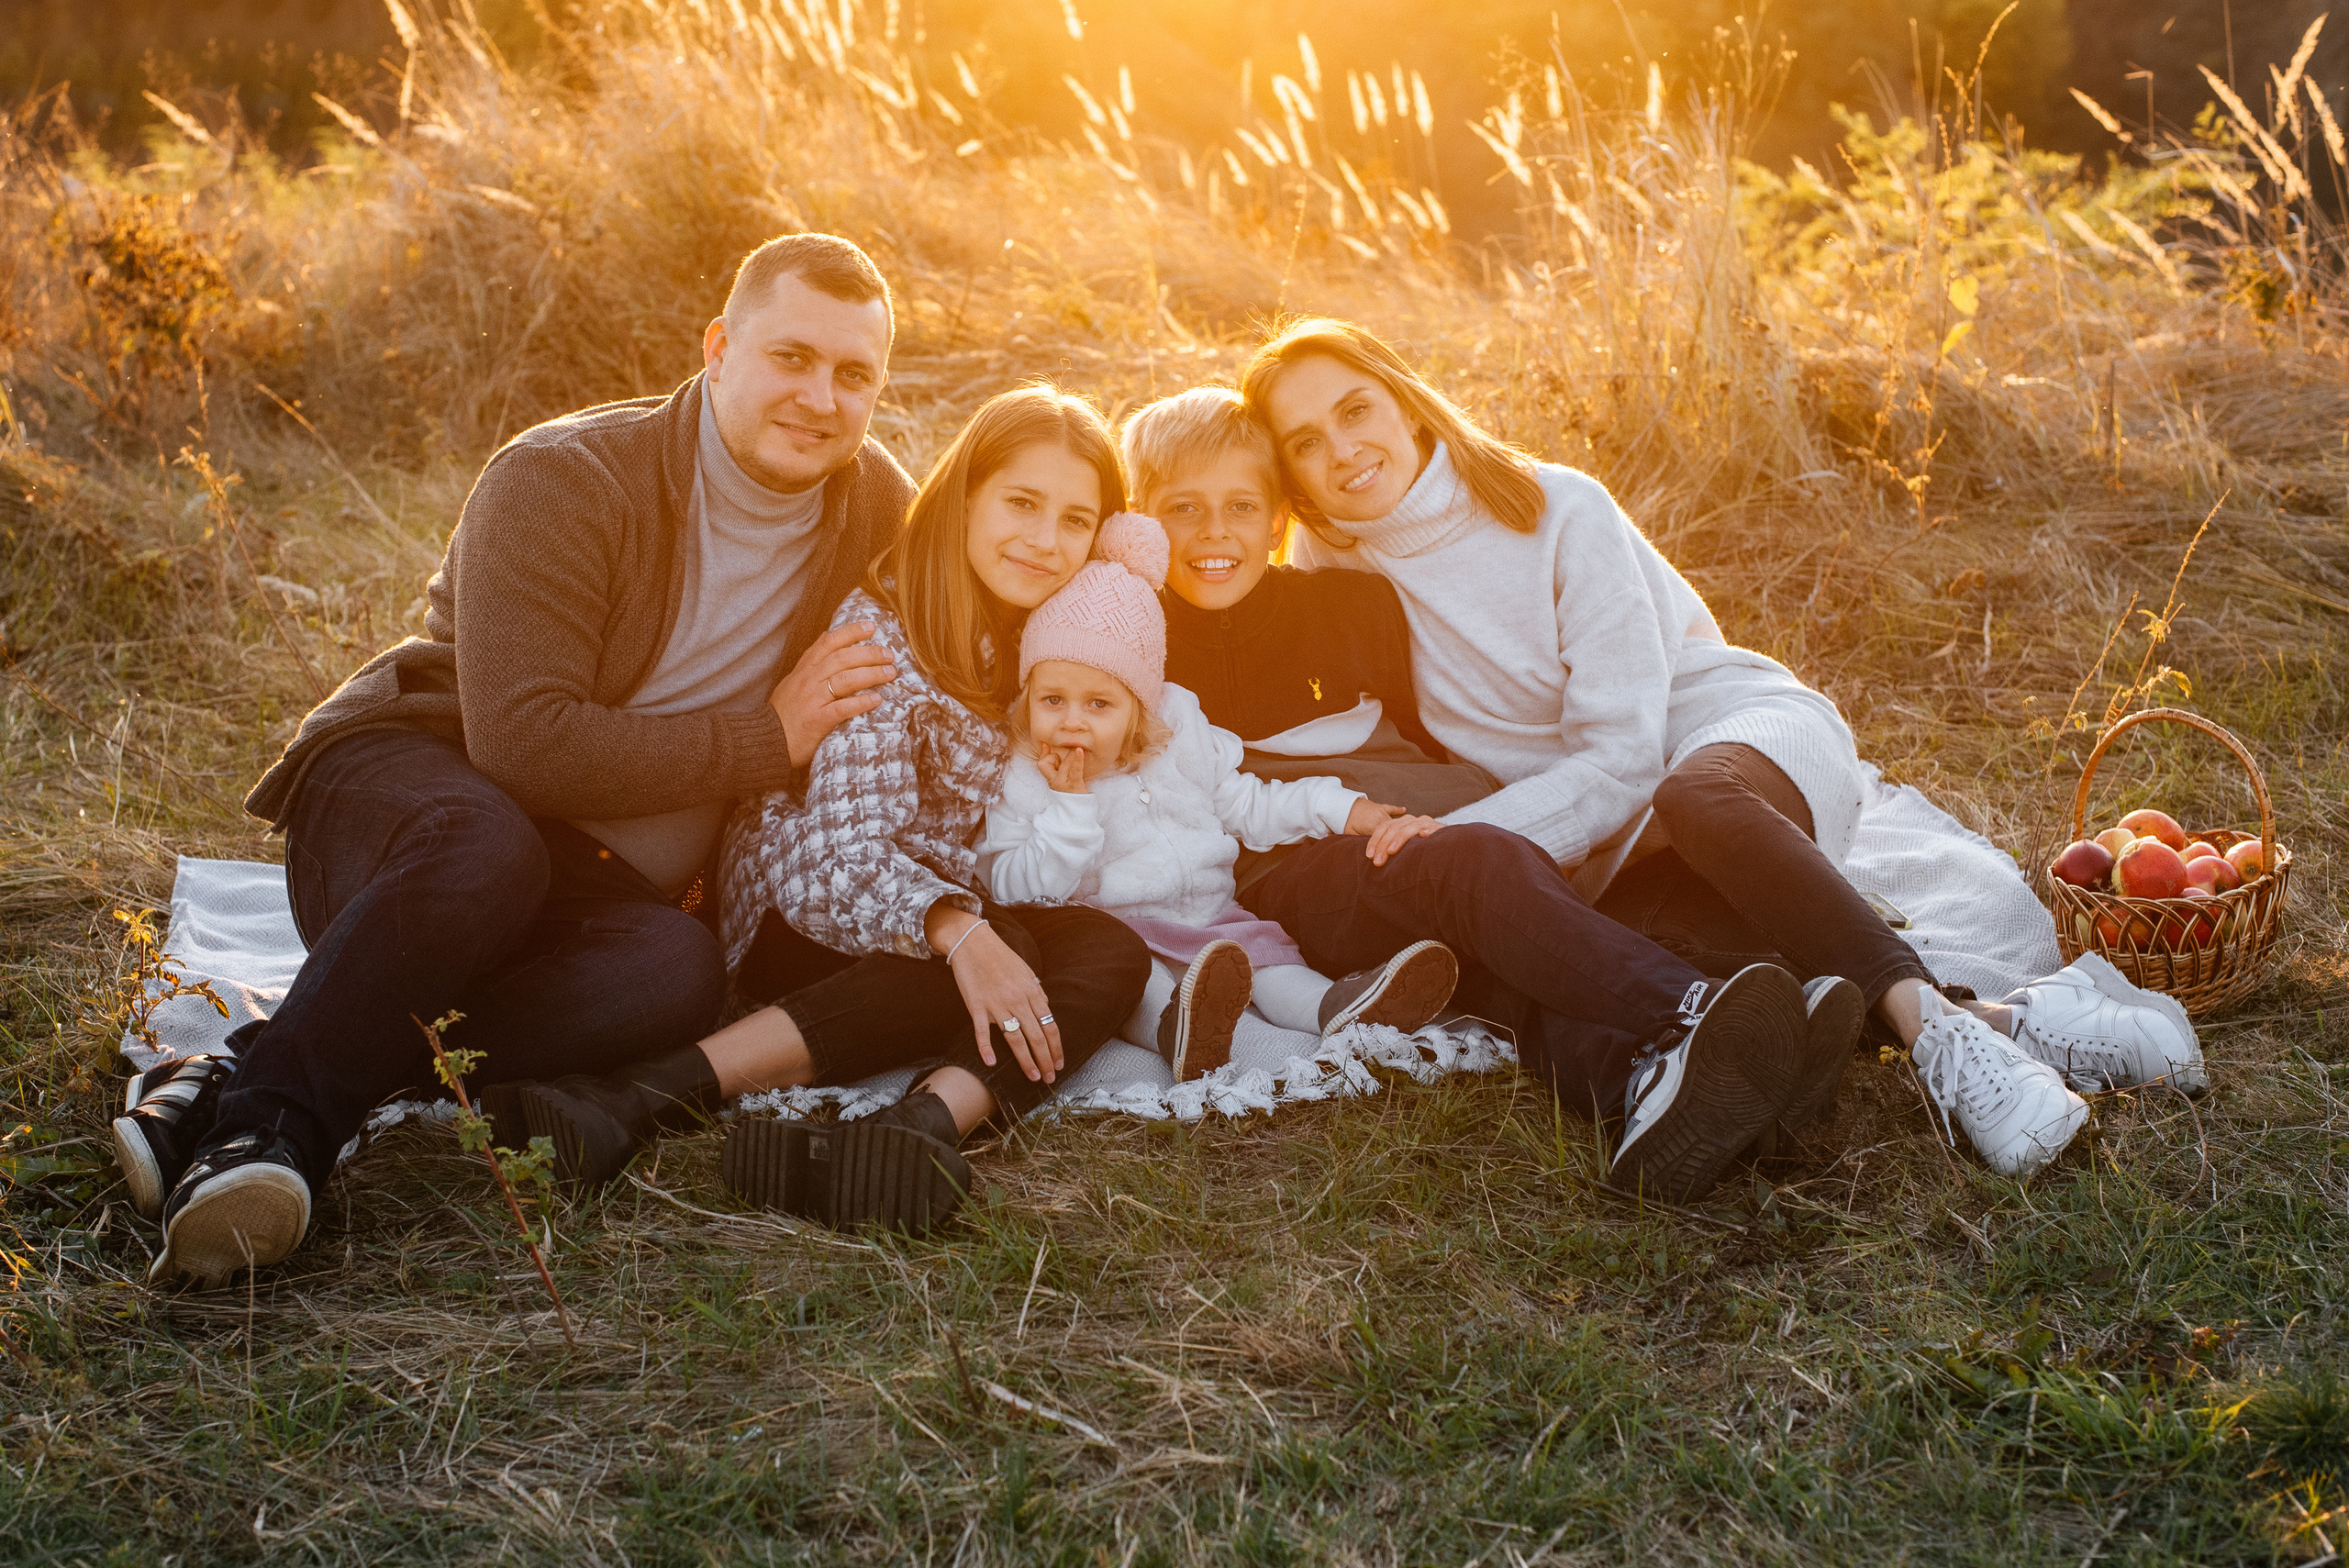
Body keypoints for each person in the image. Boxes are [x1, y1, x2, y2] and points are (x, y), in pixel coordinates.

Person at [124, 233, 915, 1289]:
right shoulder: (565, 477)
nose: (819, 397)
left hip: (586, 887)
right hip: (410, 806)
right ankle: (266, 1136)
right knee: (491, 844)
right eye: (791, 357)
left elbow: (997, 573)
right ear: (720, 347)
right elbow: (524, 743)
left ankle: (232, 1066)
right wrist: (765, 740)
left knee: (677, 971)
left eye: (853, 374)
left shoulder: (873, 504)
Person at [1238, 317, 2207, 1178]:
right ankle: (2007, 1021)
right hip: (1602, 841)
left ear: (1405, 402)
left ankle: (1942, 1037)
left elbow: (1623, 762)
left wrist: (1451, 840)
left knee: (1688, 798)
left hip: (1731, 745)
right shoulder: (1334, 576)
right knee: (1724, 983)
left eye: (1356, 409)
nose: (1344, 450)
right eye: (1306, 443)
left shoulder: (1554, 507)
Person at [1124, 386, 1847, 1204]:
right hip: (1294, 870)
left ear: (1280, 518)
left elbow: (1427, 729)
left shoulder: (1348, 601)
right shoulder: (1134, 637)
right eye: (1182, 508)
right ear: (1140, 520)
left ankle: (1643, 1089)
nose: (1214, 532)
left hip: (1421, 827)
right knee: (1475, 870)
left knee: (1495, 961)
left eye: (1240, 506)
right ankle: (1696, 1010)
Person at [597, 384, 1152, 1238]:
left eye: (1077, 520)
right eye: (1022, 502)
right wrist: (966, 934)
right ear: (966, 495)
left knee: (1110, 952)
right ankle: (653, 1090)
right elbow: (838, 860)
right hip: (807, 911)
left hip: (933, 903)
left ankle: (916, 1130)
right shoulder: (881, 640)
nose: (1046, 541)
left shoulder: (1042, 637)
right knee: (999, 952)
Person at [975, 512, 1462, 1083]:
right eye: (1052, 700)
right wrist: (1069, 808)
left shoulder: (1178, 734)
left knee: (1270, 958)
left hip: (1213, 917)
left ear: (1141, 705)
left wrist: (1338, 808)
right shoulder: (1024, 771)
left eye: (1099, 705)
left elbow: (1247, 805)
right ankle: (1178, 1031)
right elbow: (1007, 883)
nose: (1072, 723)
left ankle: (1340, 1007)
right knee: (1139, 979)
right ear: (1028, 694)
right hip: (1113, 933)